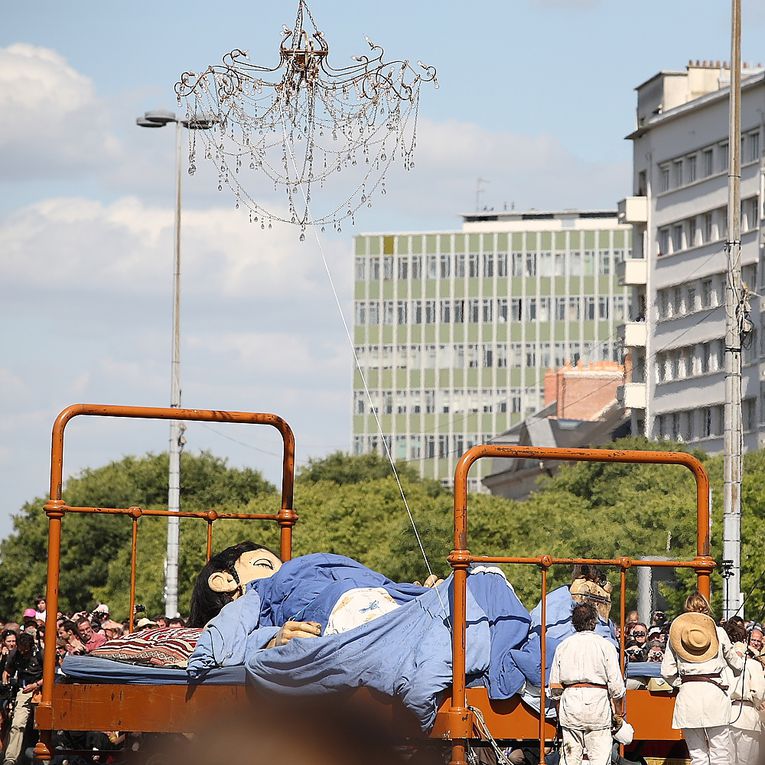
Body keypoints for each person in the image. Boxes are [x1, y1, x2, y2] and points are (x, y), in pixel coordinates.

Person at [661, 591, 744, 765]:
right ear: (706, 610)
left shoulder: (676, 635)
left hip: (688, 697)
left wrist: (683, 683)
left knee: (697, 756)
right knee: (720, 753)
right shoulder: (719, 632)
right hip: (714, 695)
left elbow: (667, 671)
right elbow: (737, 665)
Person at [548, 602, 625, 765]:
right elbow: (617, 687)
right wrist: (618, 714)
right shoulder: (606, 646)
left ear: (574, 622)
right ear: (594, 622)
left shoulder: (563, 646)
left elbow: (555, 687)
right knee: (599, 758)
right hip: (598, 705)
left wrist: (560, 714)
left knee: (570, 758)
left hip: (571, 705)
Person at [723, 619, 765, 764]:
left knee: (728, 761)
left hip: (727, 716)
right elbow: (759, 693)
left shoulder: (724, 664)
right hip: (748, 717)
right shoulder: (754, 664)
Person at [2, 633, 43, 765]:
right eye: (21, 649)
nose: (23, 652)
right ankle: (10, 758)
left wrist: (36, 685)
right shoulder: (15, 654)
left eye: (25, 650)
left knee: (43, 725)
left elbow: (51, 674)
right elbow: (7, 670)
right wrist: (6, 682)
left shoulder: (40, 654)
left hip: (40, 690)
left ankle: (43, 757)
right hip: (23, 690)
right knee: (17, 724)